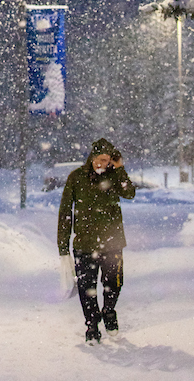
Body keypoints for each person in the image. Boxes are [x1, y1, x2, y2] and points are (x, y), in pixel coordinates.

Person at [57, 137, 136, 344]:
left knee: (114, 283)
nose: (102, 164)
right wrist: (63, 247)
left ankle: (109, 311)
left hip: (112, 243)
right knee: (86, 288)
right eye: (99, 159)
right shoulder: (76, 178)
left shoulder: (114, 176)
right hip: (84, 244)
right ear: (92, 157)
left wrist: (119, 169)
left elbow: (130, 192)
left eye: (107, 160)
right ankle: (92, 325)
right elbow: (65, 212)